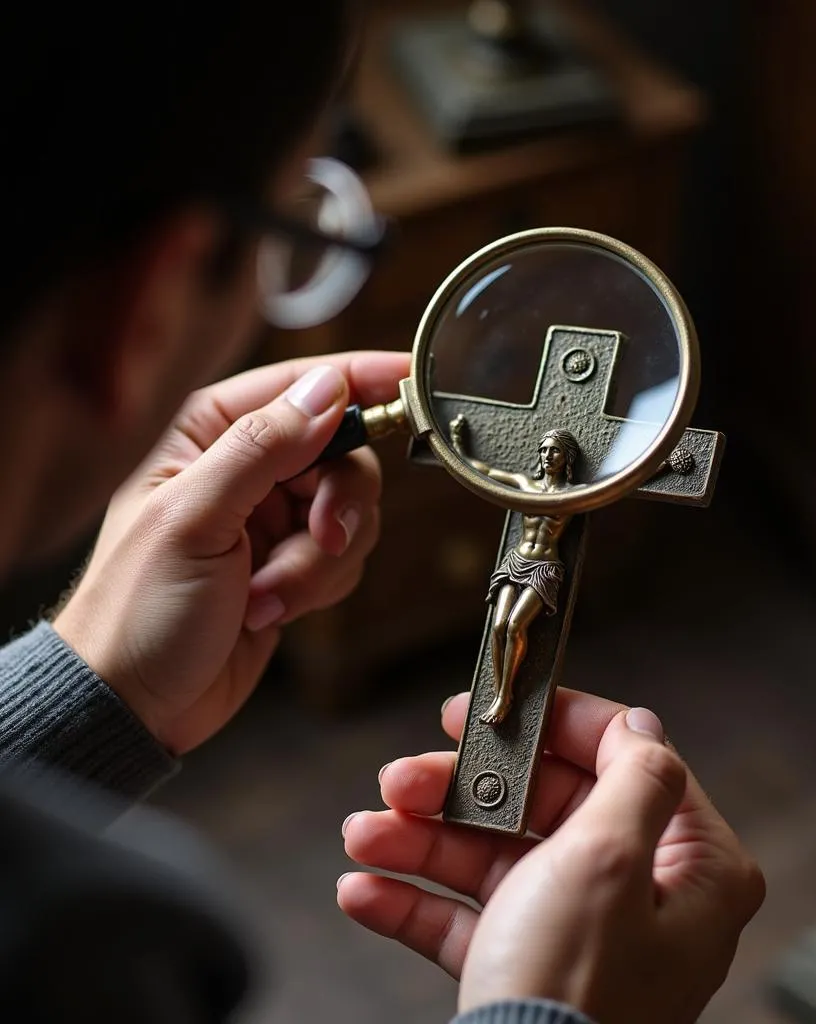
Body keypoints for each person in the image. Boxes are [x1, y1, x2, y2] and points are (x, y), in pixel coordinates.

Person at [0, 3, 765, 1023]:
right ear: (148, 304)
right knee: (510, 633)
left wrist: (92, 681)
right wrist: (552, 1012)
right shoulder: (88, 953)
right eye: (304, 224)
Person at [449, 414, 581, 724]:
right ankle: (500, 693)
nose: (548, 456)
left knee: (514, 627)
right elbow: (483, 470)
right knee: (497, 627)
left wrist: (663, 463)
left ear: (567, 457)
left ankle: (504, 697)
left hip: (545, 567)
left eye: (555, 451)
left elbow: (621, 483)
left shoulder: (576, 493)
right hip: (516, 562)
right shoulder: (525, 484)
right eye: (544, 450)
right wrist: (457, 443)